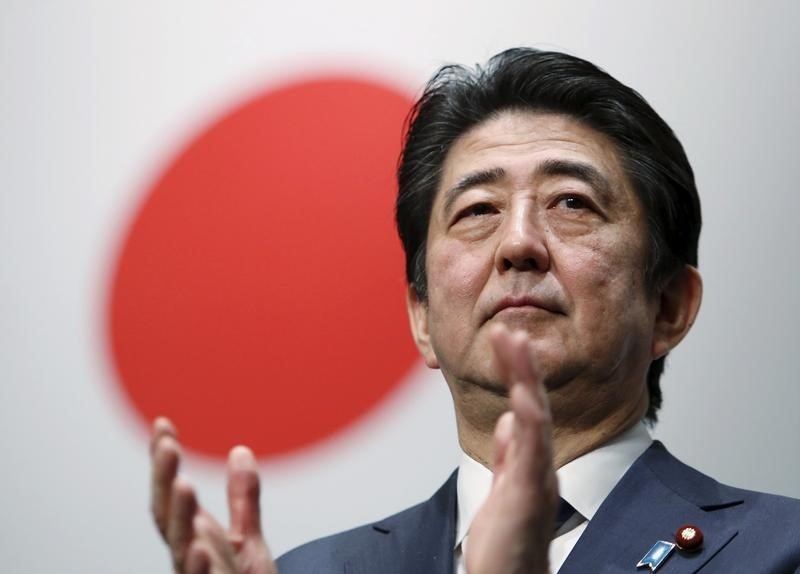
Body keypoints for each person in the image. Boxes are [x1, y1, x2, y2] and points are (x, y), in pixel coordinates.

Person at [150, 48, 800, 573]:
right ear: (422, 319)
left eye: (572, 203)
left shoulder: (779, 550)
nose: (518, 242)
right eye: (478, 210)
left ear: (669, 307)